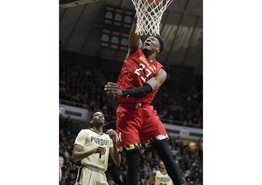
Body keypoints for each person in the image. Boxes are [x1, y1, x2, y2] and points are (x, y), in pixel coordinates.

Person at [104, 17, 185, 185]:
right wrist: (140, 14)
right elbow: (135, 33)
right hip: (127, 113)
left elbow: (147, 89)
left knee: (167, 155)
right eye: (147, 38)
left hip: (146, 112)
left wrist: (122, 92)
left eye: (153, 40)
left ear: (158, 49)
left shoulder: (160, 71)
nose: (148, 39)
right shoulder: (135, 50)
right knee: (133, 161)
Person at [71, 110, 121, 185]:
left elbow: (117, 162)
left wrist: (114, 142)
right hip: (87, 171)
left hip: (102, 174)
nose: (100, 116)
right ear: (91, 121)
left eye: (102, 116)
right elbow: (75, 157)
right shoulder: (85, 132)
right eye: (97, 115)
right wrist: (92, 151)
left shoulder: (108, 138)